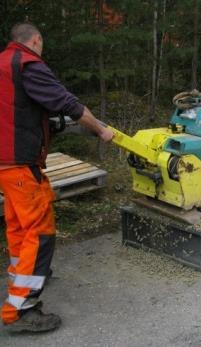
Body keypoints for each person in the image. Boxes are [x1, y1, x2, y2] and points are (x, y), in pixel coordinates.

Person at [0, 22, 114, 332]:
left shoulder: (3, 65)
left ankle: (20, 279)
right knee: (40, 232)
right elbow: (68, 103)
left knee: (19, 228)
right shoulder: (28, 64)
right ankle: (21, 308)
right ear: (35, 40)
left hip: (5, 165)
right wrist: (101, 130)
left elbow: (16, 110)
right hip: (22, 164)